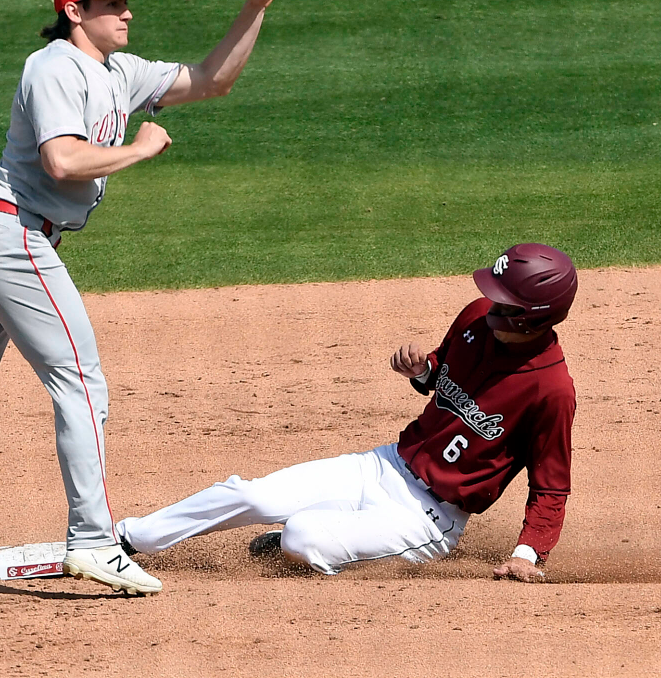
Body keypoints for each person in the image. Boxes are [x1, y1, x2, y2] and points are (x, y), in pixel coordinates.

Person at [0, 0, 279, 596]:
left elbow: (212, 80)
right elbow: (62, 160)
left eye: (125, 2)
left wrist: (259, 1)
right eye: (111, 4)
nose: (127, 12)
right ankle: (94, 540)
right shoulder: (52, 67)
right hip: (12, 239)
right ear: (75, 13)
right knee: (80, 382)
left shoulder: (120, 72)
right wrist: (139, 149)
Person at [116, 243, 579, 582]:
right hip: (383, 464)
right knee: (254, 496)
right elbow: (445, 374)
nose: (491, 302)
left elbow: (550, 485)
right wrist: (423, 371)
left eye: (504, 301)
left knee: (300, 536)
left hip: (428, 519)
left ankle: (318, 542)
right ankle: (126, 537)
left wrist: (527, 554)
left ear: (532, 316)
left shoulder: (551, 391)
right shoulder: (476, 316)